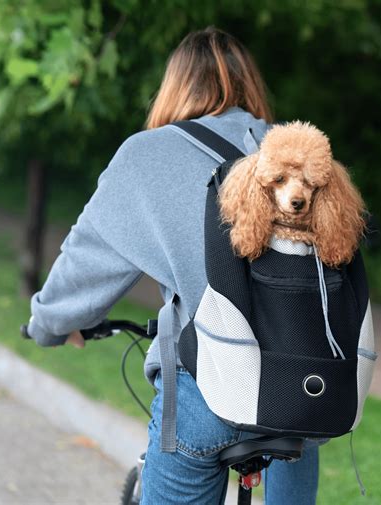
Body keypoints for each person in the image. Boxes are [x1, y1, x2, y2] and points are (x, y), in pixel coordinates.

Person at [28, 26, 322, 504]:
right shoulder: (291, 153)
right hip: (302, 389)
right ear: (250, 85)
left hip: (206, 384)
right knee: (295, 444)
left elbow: (86, 263)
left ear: (174, 87)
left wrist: (50, 324)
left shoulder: (147, 155)